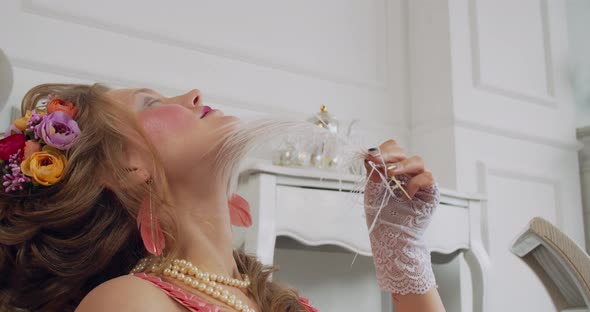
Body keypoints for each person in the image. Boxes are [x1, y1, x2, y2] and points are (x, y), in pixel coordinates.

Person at [0, 83, 445, 312]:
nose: (193, 94)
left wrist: (401, 247)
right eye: (150, 103)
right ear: (123, 168)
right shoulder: (127, 302)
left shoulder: (283, 302)